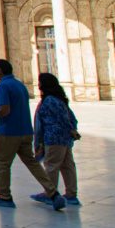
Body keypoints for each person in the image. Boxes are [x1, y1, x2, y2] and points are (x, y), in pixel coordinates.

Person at [0, 59, 65, 210]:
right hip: (25, 131)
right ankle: (53, 193)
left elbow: (5, 109)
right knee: (32, 163)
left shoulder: (3, 85)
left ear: (0, 70)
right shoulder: (19, 84)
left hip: (9, 132)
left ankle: (4, 197)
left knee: (2, 164)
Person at [32, 72, 81, 206]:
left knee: (51, 165)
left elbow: (62, 119)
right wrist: (72, 130)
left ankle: (50, 193)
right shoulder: (59, 99)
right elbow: (71, 117)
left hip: (54, 137)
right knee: (67, 165)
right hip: (64, 138)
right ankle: (71, 194)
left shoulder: (50, 100)